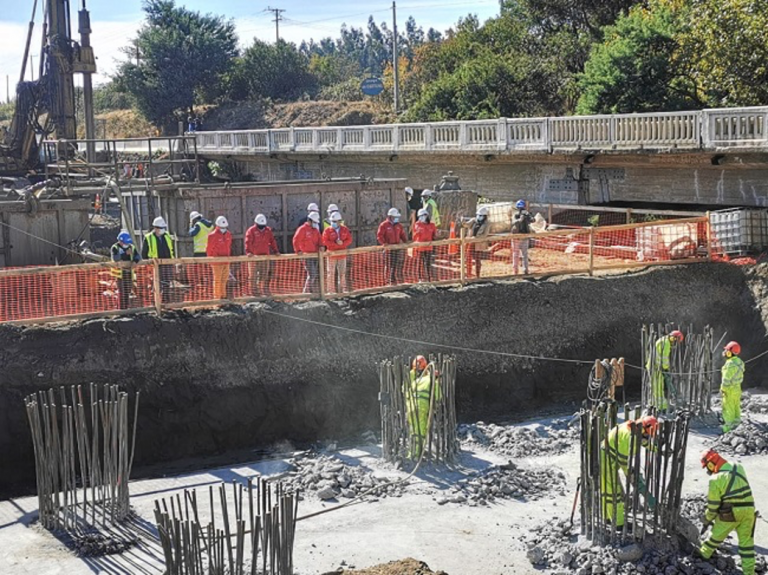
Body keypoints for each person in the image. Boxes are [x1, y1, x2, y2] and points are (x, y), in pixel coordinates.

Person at [699, 449, 756, 575]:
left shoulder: (715, 479)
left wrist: (707, 519)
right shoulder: (738, 466)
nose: (708, 471)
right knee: (747, 545)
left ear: (710, 464)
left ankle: (702, 557)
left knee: (713, 538)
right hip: (749, 510)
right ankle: (749, 573)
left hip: (731, 513)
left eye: (707, 467)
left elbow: (713, 506)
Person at [600, 416, 658, 528]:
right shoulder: (629, 437)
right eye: (647, 434)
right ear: (644, 429)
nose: (648, 437)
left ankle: (608, 518)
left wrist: (657, 449)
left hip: (613, 454)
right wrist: (634, 477)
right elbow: (624, 464)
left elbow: (643, 441)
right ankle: (618, 524)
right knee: (613, 493)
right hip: (606, 458)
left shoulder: (635, 429)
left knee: (609, 491)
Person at [403, 355, 441, 459]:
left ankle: (411, 453)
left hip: (410, 407)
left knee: (413, 431)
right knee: (421, 433)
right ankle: (416, 455)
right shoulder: (431, 379)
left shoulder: (414, 381)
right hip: (422, 408)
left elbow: (404, 390)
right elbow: (438, 395)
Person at [646, 330, 684, 411]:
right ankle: (661, 406)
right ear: (673, 337)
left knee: (656, 386)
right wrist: (666, 368)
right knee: (658, 387)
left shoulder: (663, 340)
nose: (675, 343)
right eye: (676, 341)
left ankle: (655, 403)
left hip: (656, 367)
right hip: (656, 368)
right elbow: (664, 358)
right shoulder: (666, 344)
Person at [245, 214, 280, 296]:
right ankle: (254, 292)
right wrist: (248, 252)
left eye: (263, 226)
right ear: (256, 223)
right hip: (254, 257)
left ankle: (264, 290)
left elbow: (272, 241)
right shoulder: (251, 231)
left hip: (265, 256)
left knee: (264, 274)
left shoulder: (268, 230)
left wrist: (276, 251)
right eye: (260, 226)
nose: (262, 227)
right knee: (253, 275)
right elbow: (247, 242)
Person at [141, 216, 175, 302]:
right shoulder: (148, 237)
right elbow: (144, 253)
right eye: (161, 228)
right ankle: (156, 302)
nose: (162, 229)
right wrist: (147, 263)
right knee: (157, 284)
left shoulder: (166, 236)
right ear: (155, 228)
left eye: (163, 228)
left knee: (166, 283)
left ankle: (166, 301)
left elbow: (171, 250)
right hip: (155, 265)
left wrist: (173, 261)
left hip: (167, 263)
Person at [322, 211, 353, 293]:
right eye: (332, 221)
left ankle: (342, 290)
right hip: (331, 255)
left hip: (342, 255)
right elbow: (325, 241)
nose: (333, 223)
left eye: (335, 221)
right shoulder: (327, 230)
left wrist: (343, 243)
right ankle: (330, 291)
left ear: (339, 221)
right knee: (330, 274)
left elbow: (349, 240)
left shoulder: (345, 230)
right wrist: (336, 244)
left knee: (342, 273)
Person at [293, 211, 323, 293]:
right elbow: (296, 240)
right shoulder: (302, 229)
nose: (316, 224)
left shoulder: (315, 230)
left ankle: (310, 291)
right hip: (306, 255)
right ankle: (306, 292)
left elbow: (320, 239)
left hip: (315, 255)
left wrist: (321, 246)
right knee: (312, 274)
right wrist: (298, 250)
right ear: (309, 221)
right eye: (314, 222)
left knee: (314, 274)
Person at [377, 207, 408, 285]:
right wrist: (384, 243)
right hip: (388, 249)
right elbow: (379, 236)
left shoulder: (399, 226)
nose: (397, 218)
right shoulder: (384, 225)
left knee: (395, 265)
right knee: (388, 265)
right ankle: (387, 281)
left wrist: (406, 242)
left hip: (396, 248)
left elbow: (402, 234)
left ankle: (394, 281)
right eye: (395, 217)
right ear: (391, 216)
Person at [111, 231, 140, 310]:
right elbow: (115, 258)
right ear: (120, 241)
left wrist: (135, 261)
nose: (126, 244)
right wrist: (125, 253)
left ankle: (126, 308)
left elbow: (137, 256)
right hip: (119, 275)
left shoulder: (131, 247)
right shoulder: (115, 247)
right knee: (122, 292)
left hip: (128, 273)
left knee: (127, 291)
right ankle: (121, 309)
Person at [720, 341, 745, 433]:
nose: (725, 352)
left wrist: (723, 389)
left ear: (730, 352)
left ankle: (728, 428)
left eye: (726, 350)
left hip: (729, 389)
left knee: (728, 407)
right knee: (736, 407)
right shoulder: (740, 362)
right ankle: (736, 426)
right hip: (737, 389)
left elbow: (726, 379)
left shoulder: (730, 364)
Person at [206, 216, 232, 301]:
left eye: (224, 227)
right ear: (217, 226)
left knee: (224, 279)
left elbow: (228, 246)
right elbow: (209, 249)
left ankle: (223, 296)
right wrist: (211, 260)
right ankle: (217, 298)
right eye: (222, 227)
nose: (223, 229)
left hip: (226, 261)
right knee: (217, 280)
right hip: (216, 262)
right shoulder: (212, 235)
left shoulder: (228, 234)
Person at [462, 206, 491, 278]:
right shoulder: (474, 220)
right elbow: (466, 225)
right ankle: (469, 275)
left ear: (485, 216)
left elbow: (485, 235)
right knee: (468, 258)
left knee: (477, 259)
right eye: (479, 215)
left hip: (479, 244)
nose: (479, 217)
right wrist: (462, 221)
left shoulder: (487, 224)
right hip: (470, 242)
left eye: (481, 216)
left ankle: (478, 275)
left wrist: (476, 238)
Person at [412, 208, 437, 282]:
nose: (421, 218)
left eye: (423, 216)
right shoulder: (417, 224)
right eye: (420, 216)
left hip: (429, 247)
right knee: (419, 263)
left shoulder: (432, 225)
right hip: (420, 248)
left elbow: (434, 235)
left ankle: (429, 278)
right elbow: (414, 236)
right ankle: (420, 278)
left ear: (426, 215)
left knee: (428, 263)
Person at [510, 199, 533, 275]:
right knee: (515, 254)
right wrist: (520, 220)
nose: (521, 210)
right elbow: (513, 222)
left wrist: (528, 217)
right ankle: (515, 271)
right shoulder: (515, 214)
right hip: (516, 237)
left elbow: (533, 220)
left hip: (524, 237)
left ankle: (525, 270)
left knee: (524, 255)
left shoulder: (526, 214)